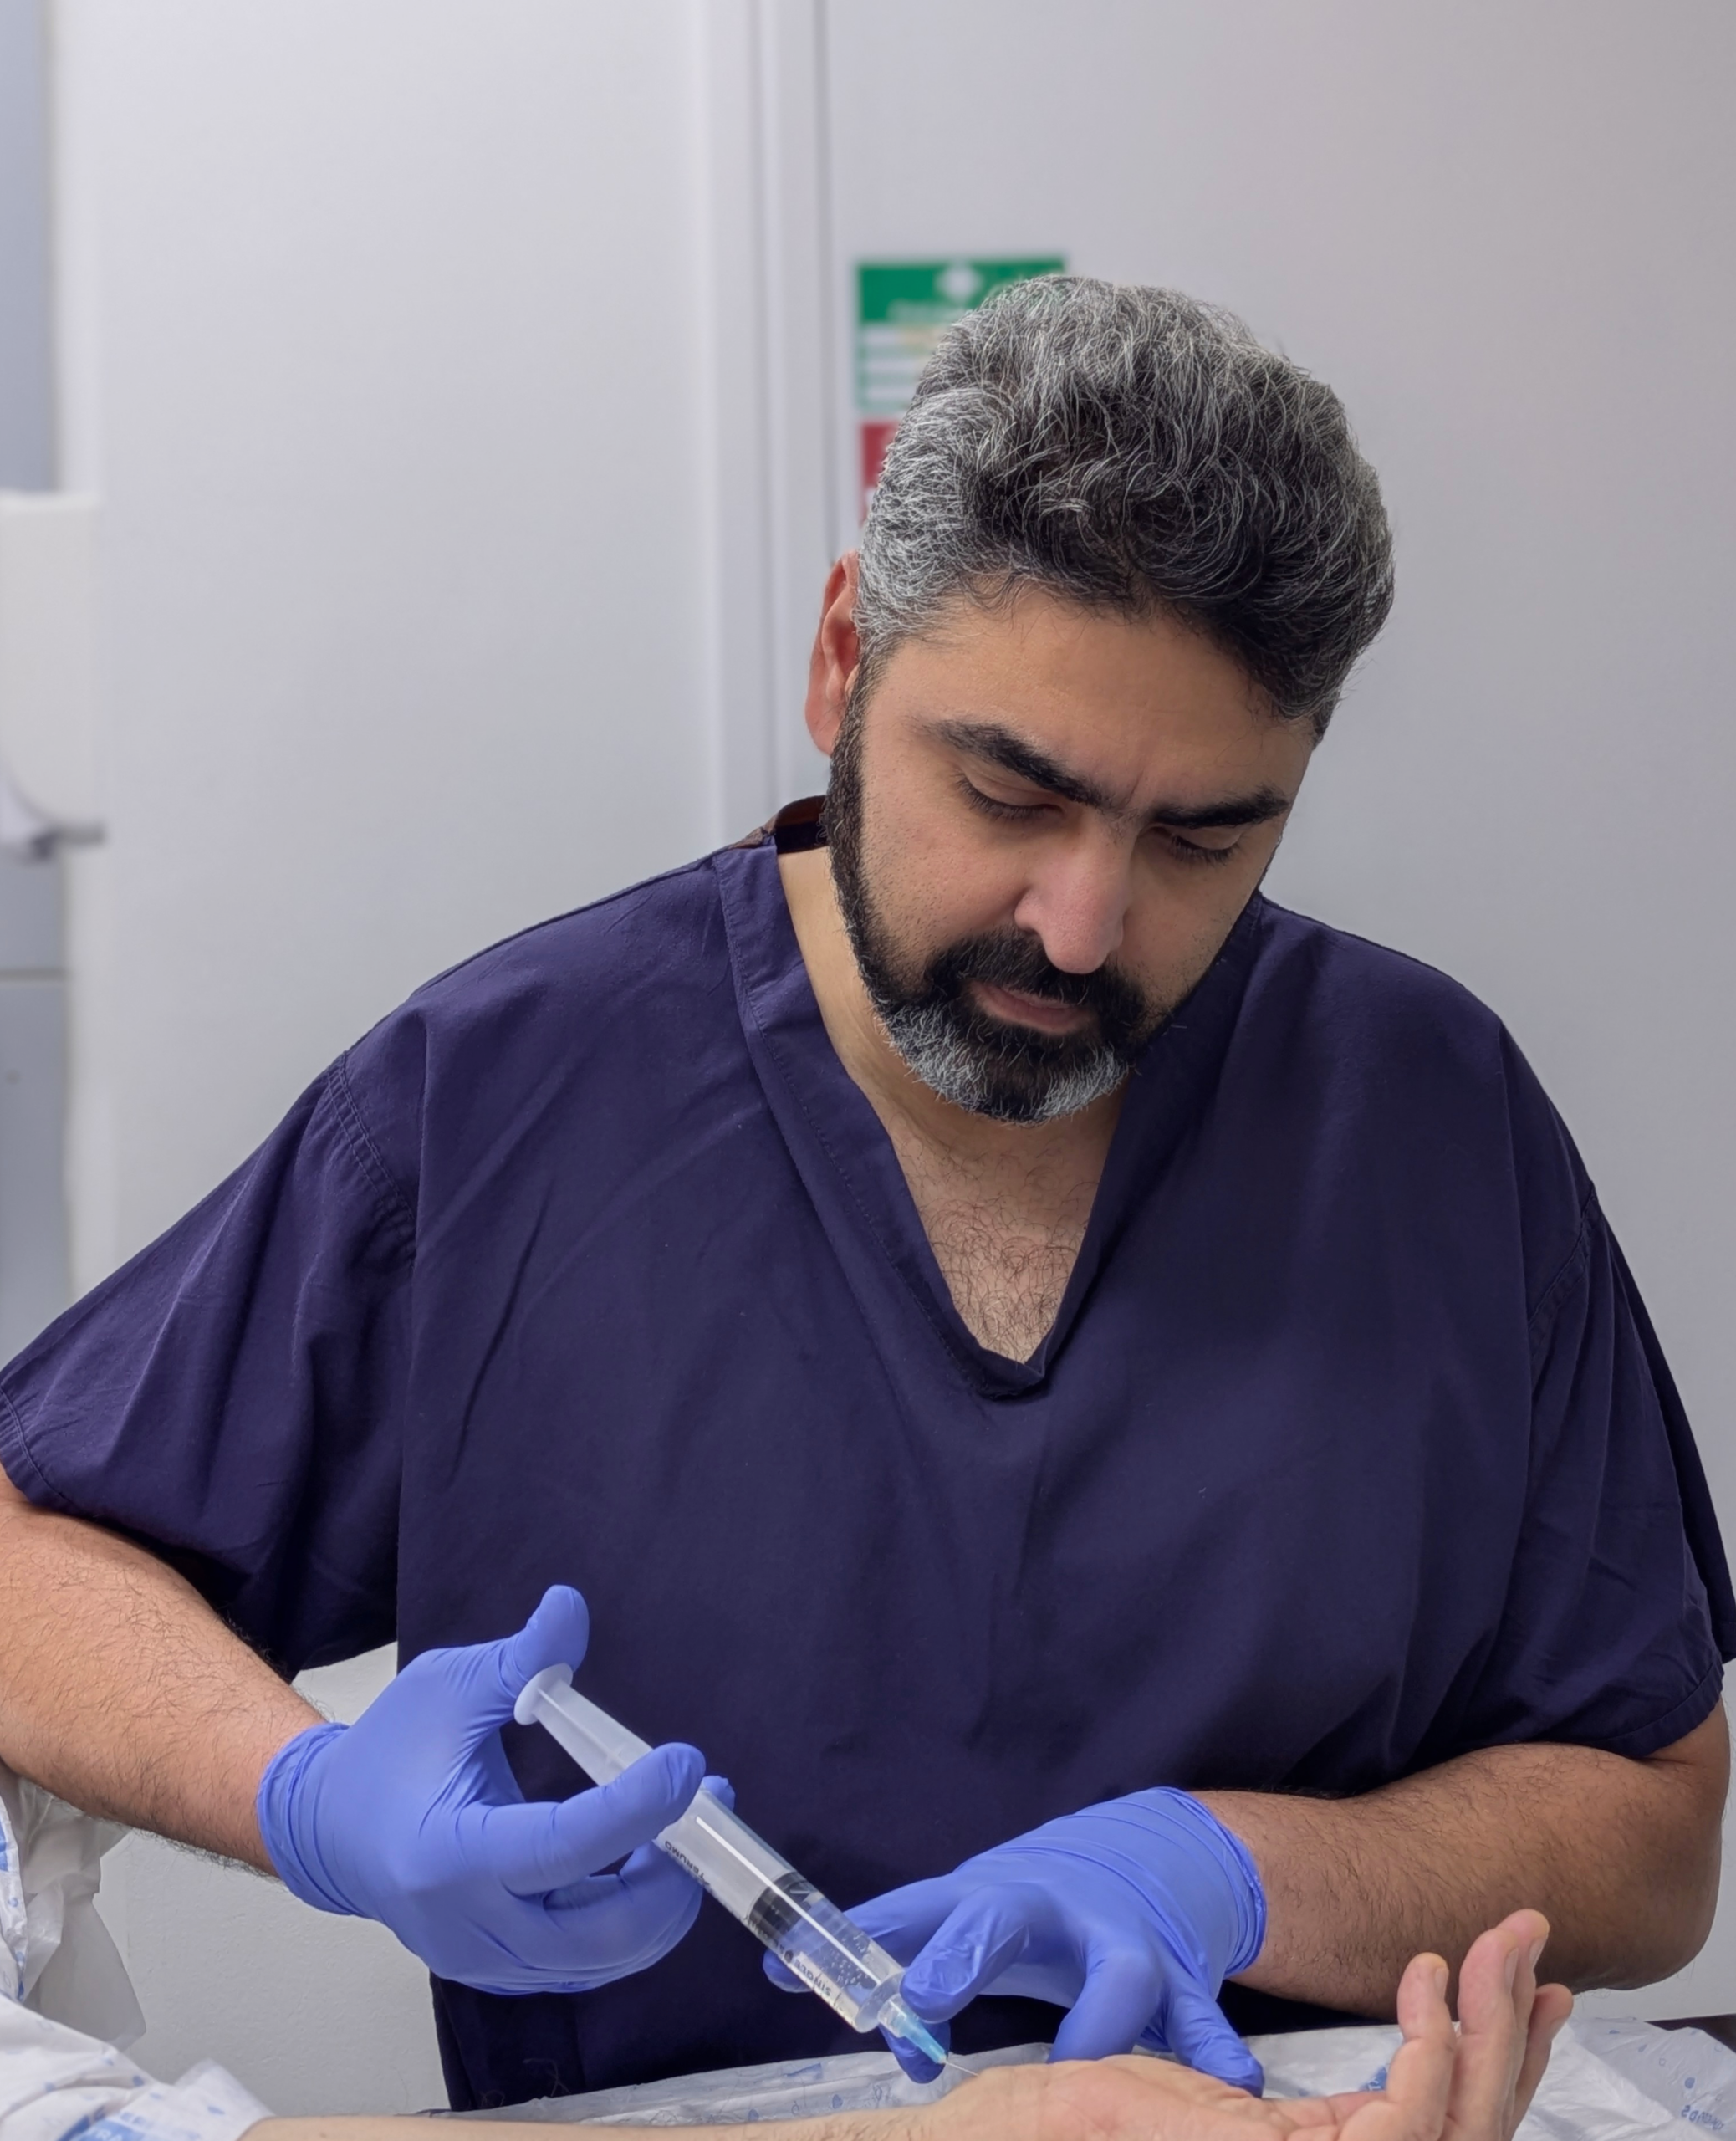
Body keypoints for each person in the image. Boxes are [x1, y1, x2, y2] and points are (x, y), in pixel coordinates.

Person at [0, 278, 1728, 2110]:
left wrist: (1236, 1870)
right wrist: (302, 1791)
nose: (1082, 923)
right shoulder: (500, 1100)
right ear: (846, 658)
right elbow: (28, 1555)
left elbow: (1653, 1823)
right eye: (1010, 792)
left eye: (1201, 837)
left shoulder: (1428, 1117)